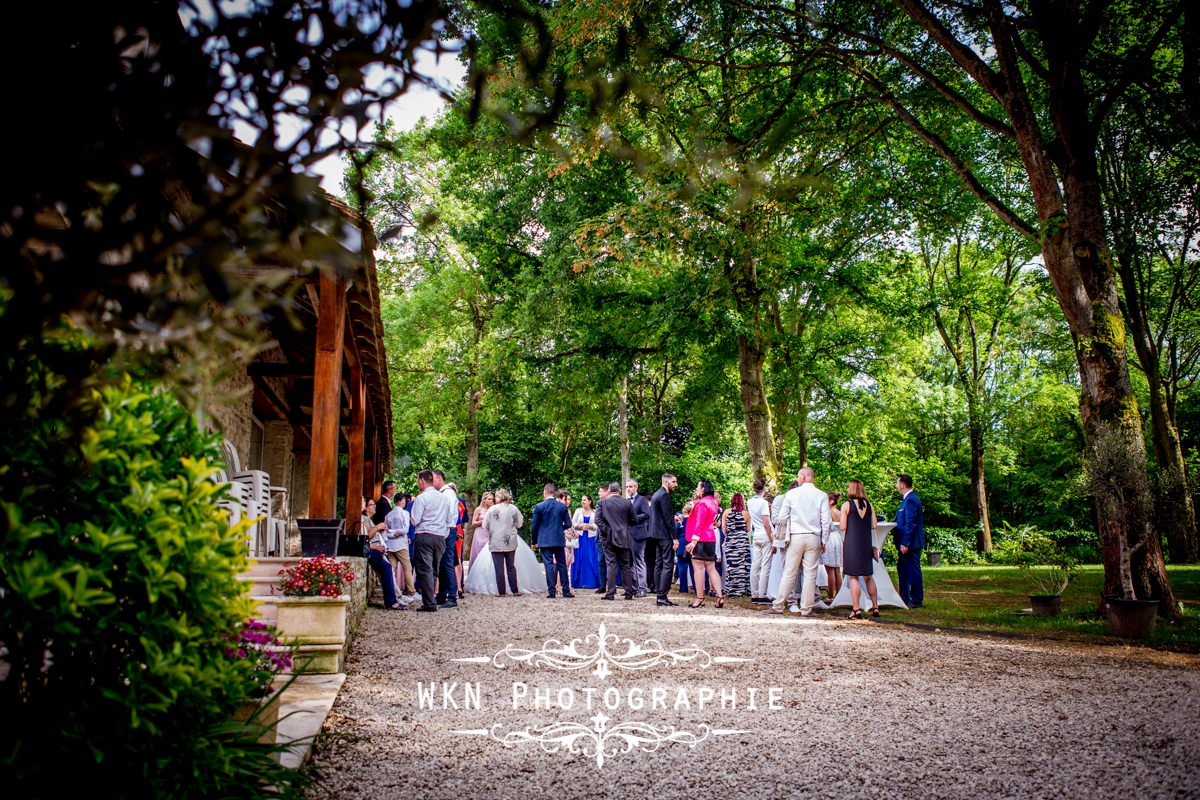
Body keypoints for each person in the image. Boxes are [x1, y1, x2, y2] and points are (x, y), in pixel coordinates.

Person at [764, 467, 830, 617]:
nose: (798, 479)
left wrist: (784, 530)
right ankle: (807, 609)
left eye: (799, 477)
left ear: (804, 477)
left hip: (796, 535)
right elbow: (826, 521)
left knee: (789, 572)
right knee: (810, 574)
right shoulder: (821, 495)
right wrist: (824, 540)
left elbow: (782, 517)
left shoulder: (792, 494)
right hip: (814, 536)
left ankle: (779, 605)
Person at [463, 488, 549, 596]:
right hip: (510, 541)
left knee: (499, 568)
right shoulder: (514, 509)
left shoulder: (492, 509)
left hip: (495, 542)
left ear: (498, 497)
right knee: (511, 567)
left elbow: (485, 525)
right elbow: (519, 524)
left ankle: (501, 592)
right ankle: (515, 590)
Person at [410, 469, 453, 612]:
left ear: (422, 481)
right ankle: (431, 600)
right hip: (440, 537)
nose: (418, 484)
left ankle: (429, 603)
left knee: (424, 569)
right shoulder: (444, 498)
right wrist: (444, 534)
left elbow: (415, 520)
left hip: (425, 535)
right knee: (434, 569)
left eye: (418, 481)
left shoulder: (422, 498)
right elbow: (449, 520)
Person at [840, 480, 880, 619]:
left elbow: (842, 527)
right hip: (865, 543)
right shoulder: (869, 505)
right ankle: (875, 606)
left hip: (852, 543)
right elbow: (874, 525)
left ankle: (856, 608)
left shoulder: (847, 505)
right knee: (868, 576)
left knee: (853, 577)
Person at [531, 483, 574, 598]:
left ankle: (551, 592)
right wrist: (560, 529)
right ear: (554, 493)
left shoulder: (539, 506)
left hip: (545, 540)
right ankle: (566, 591)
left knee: (549, 564)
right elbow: (568, 524)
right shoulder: (562, 507)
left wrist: (533, 541)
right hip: (559, 539)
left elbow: (534, 526)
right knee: (562, 565)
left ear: (545, 493)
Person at [597, 481, 637, 600]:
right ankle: (628, 592)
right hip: (624, 536)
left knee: (611, 564)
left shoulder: (602, 503)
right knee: (625, 565)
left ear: (609, 491)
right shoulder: (627, 503)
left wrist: (607, 530)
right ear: (619, 491)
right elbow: (634, 519)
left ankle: (610, 593)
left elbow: (597, 520)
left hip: (608, 538)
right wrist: (624, 526)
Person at [685, 481, 723, 608]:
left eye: (698, 487)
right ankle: (720, 596)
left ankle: (700, 597)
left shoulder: (702, 503)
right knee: (711, 568)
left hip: (701, 538)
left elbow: (699, 522)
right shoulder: (713, 502)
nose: (696, 489)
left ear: (702, 489)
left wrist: (694, 541)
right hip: (711, 537)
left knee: (698, 568)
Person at [362, 498, 401, 610]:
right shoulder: (364, 520)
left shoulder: (369, 520)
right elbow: (365, 538)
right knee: (386, 567)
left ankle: (396, 597)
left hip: (375, 548)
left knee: (388, 569)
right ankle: (392, 600)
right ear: (366, 508)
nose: (374, 506)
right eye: (371, 504)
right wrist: (377, 528)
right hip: (371, 550)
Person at [894, 474, 925, 608]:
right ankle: (904, 597)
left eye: (897, 483)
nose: (896, 486)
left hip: (910, 544)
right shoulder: (906, 500)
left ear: (902, 484)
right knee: (902, 568)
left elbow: (910, 523)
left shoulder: (911, 500)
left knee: (913, 570)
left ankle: (917, 599)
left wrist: (905, 542)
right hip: (904, 543)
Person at [648, 472, 679, 606]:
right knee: (667, 564)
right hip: (664, 535)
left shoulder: (656, 495)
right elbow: (667, 519)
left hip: (655, 534)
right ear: (666, 482)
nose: (675, 485)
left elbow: (661, 516)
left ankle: (659, 593)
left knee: (659, 564)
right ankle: (662, 595)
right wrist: (674, 537)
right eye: (673, 482)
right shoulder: (664, 496)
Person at [430, 470, 460, 608]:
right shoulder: (443, 493)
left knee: (447, 562)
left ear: (440, 478)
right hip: (444, 530)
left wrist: (446, 532)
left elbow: (452, 515)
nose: (431, 482)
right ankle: (442, 595)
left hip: (448, 530)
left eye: (433, 479)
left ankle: (452, 596)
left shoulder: (448, 493)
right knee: (442, 563)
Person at [383, 497, 417, 603]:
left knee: (392, 570)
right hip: (401, 545)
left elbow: (386, 531)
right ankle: (411, 591)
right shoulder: (405, 514)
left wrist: (392, 532)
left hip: (390, 544)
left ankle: (393, 591)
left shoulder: (388, 515)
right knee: (407, 567)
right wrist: (397, 532)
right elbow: (405, 529)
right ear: (402, 502)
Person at [720, 493, 751, 597]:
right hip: (742, 542)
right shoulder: (746, 513)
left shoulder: (726, 512)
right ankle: (742, 589)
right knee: (742, 565)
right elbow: (748, 529)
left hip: (731, 541)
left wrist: (730, 536)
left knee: (731, 566)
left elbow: (723, 529)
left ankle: (731, 589)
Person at [747, 479, 772, 603]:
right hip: (764, 533)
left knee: (755, 565)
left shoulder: (749, 502)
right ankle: (762, 594)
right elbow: (766, 522)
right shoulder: (763, 503)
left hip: (756, 533)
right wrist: (772, 538)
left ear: (754, 489)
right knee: (765, 564)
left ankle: (754, 593)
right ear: (764, 489)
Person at [626, 479, 652, 597]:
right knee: (630, 562)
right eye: (627, 487)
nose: (628, 489)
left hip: (639, 533)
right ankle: (633, 586)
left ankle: (642, 587)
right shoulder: (626, 501)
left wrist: (633, 518)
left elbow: (647, 514)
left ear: (636, 487)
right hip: (628, 534)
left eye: (630, 487)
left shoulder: (641, 499)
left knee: (639, 561)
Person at [570, 494, 602, 589]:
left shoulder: (595, 512)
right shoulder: (578, 511)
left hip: (591, 538)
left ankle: (592, 582)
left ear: (590, 501)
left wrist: (590, 526)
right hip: (580, 538)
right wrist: (581, 526)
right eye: (582, 500)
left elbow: (597, 525)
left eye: (584, 500)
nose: (582, 502)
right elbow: (573, 523)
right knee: (579, 558)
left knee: (591, 558)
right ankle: (578, 582)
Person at [821, 491, 843, 606]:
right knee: (837, 569)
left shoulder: (828, 512)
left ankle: (830, 596)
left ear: (831, 501)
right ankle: (838, 594)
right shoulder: (840, 513)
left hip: (829, 538)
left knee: (829, 569)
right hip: (838, 538)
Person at [468, 491, 495, 574]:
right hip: (480, 534)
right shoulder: (478, 509)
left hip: (491, 533)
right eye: (489, 499)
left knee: (490, 555)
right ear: (484, 500)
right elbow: (473, 523)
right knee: (479, 554)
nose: (491, 501)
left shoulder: (494, 508)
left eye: (492, 499)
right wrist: (483, 521)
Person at [555, 489, 575, 595]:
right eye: (566, 499)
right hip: (562, 537)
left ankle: (562, 585)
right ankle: (559, 585)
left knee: (567, 565)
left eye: (569, 499)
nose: (568, 501)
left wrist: (573, 532)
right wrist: (564, 533)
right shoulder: (558, 509)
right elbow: (556, 525)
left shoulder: (568, 511)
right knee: (562, 563)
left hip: (569, 538)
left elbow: (570, 524)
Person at [593, 484, 611, 593]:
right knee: (601, 561)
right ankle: (602, 585)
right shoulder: (600, 504)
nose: (598, 493)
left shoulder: (615, 503)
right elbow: (597, 520)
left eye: (600, 491)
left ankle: (613, 585)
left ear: (607, 492)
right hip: (601, 535)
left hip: (614, 536)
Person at [676, 499, 693, 594]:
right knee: (693, 568)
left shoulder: (680, 522)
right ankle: (696, 586)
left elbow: (676, 532)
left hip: (682, 543)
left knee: (682, 567)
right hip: (691, 544)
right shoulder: (693, 522)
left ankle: (683, 588)